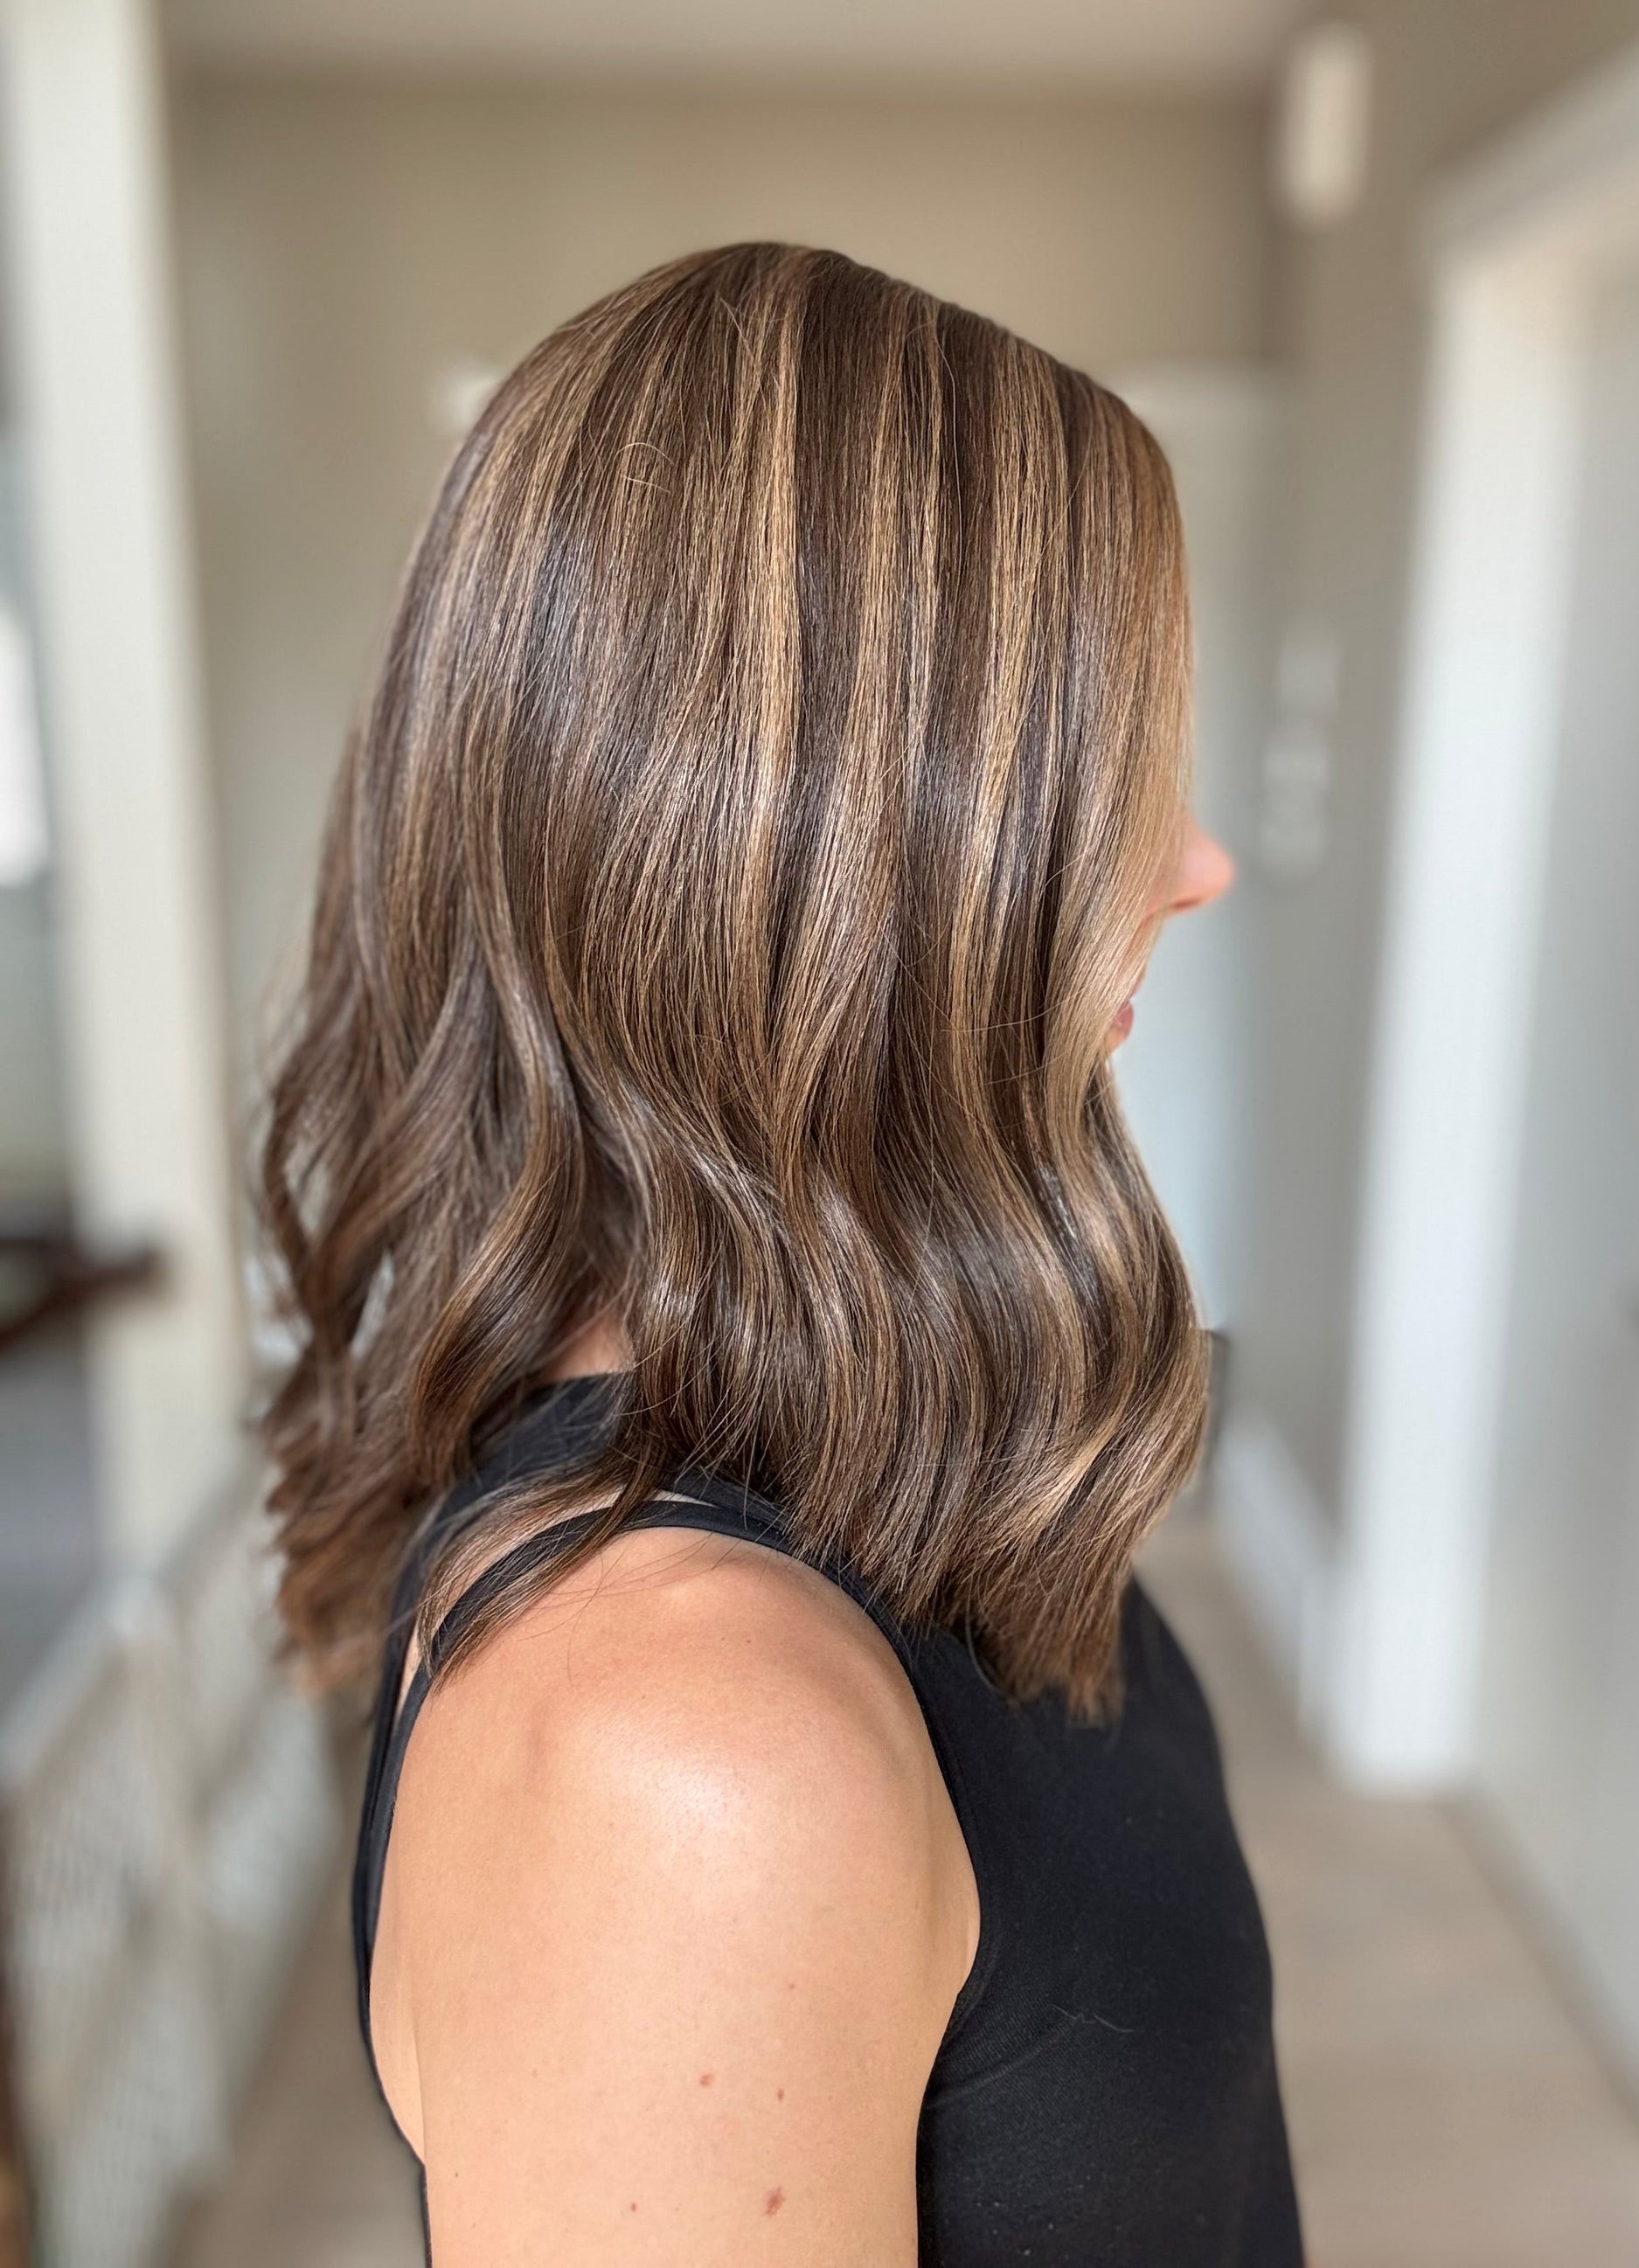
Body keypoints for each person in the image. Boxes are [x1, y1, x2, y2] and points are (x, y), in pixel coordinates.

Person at [260, 242, 1302, 2266]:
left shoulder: (892, 1453)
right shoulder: (683, 1754)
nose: (1193, 863)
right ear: (838, 843)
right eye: (1096, 773)